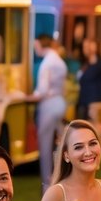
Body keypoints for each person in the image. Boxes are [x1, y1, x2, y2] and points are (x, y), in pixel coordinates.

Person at [30, 34, 68, 189]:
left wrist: (24, 96)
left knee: (45, 148)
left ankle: (47, 185)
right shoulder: (59, 60)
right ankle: (64, 179)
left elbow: (42, 91)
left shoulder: (46, 64)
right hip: (60, 102)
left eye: (35, 45)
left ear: (40, 44)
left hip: (48, 105)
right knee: (63, 144)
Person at [76, 37, 101, 123]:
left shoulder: (99, 64)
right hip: (84, 102)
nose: (85, 49)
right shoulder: (86, 63)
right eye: (83, 47)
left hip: (93, 104)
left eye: (87, 47)